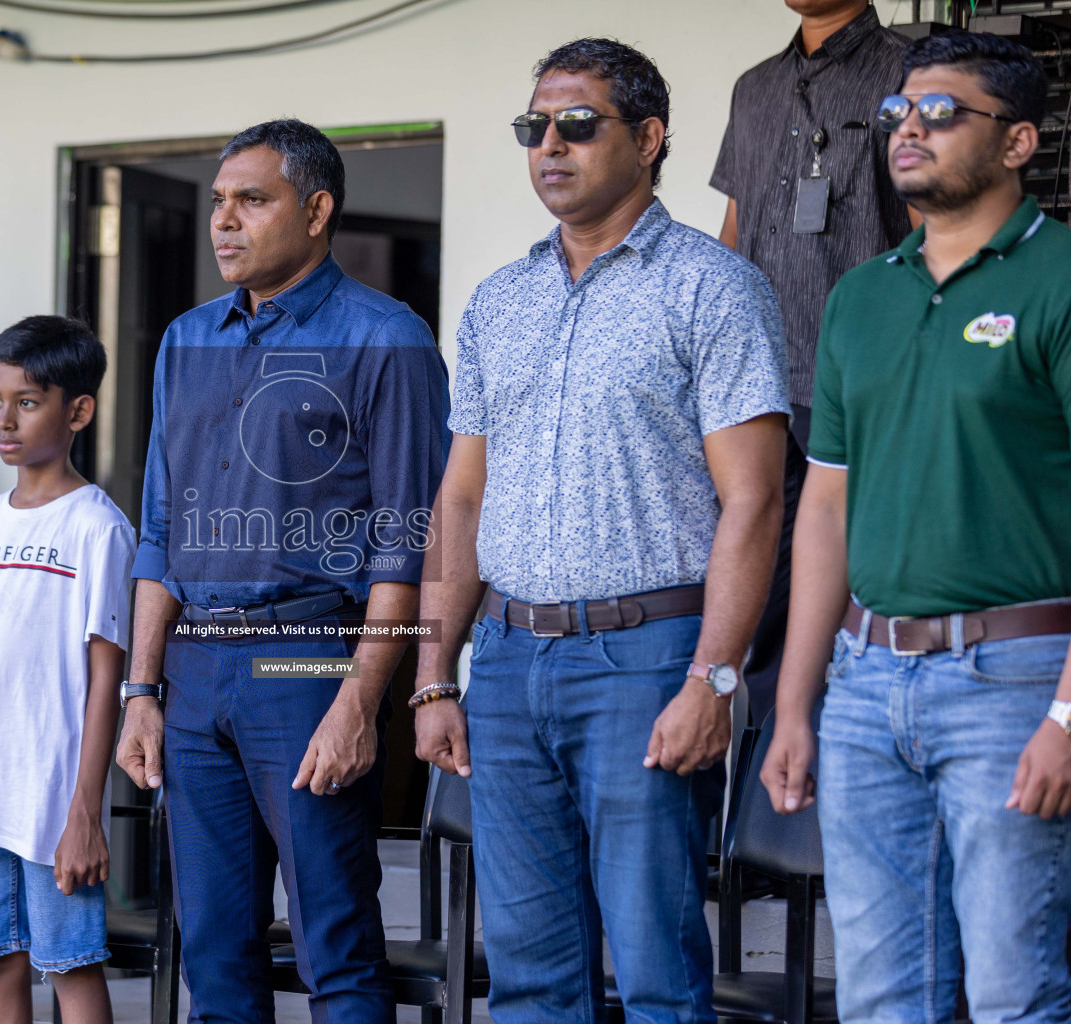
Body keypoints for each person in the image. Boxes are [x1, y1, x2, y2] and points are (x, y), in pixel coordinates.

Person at [413, 39, 789, 1022]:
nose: (550, 145)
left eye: (577, 124)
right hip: (501, 660)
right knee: (530, 976)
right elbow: (459, 499)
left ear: (649, 137)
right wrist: (434, 674)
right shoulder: (501, 301)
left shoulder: (715, 287)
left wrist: (714, 676)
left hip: (645, 658)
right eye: (533, 127)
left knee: (658, 974)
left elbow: (755, 499)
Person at [762, 32, 1071, 1021]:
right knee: (882, 1000)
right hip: (863, 686)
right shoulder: (863, 295)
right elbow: (825, 507)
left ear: (1017, 140)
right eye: (898, 112)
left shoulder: (1061, 277)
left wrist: (1069, 717)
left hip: (1016, 682)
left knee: (1014, 996)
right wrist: (798, 705)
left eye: (943, 112)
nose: (908, 129)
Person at [114, 118, 449, 1023]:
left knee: (335, 944)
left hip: (306, 659)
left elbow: (409, 542)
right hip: (193, 670)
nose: (224, 220)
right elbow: (161, 532)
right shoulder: (186, 340)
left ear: (316, 209)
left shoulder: (386, 337)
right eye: (219, 201)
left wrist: (356, 701)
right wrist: (140, 690)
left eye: (251, 200)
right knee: (215, 954)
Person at [0, 316, 131, 1024]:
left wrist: (85, 814)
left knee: (71, 968)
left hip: (53, 806)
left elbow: (108, 679)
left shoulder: (97, 527)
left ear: (77, 411)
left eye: (27, 401)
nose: (5, 420)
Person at [712, 0, 912, 716]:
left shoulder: (906, 70)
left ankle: (836, 802)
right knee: (755, 604)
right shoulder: (754, 86)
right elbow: (732, 235)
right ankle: (762, 816)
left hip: (864, 384)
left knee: (850, 601)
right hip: (752, 388)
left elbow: (930, 229)